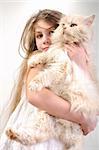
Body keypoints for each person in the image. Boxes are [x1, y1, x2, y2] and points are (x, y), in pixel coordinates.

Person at [0, 9, 98, 150]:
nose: (45, 40)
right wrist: (83, 118)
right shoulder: (40, 60)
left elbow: (92, 101)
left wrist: (81, 64)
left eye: (51, 32)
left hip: (59, 134)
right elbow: (36, 96)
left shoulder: (76, 59)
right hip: (35, 131)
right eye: (39, 36)